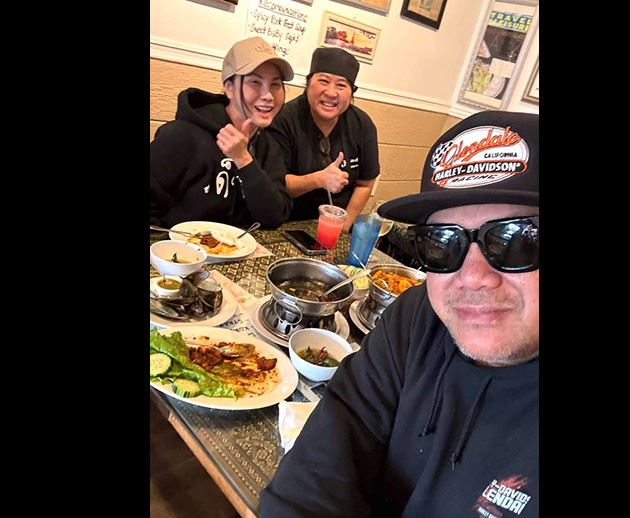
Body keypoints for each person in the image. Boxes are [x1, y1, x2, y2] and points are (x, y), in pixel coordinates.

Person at [260, 110, 539, 517]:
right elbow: (322, 462)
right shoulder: (417, 316)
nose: (473, 278)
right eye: (442, 243)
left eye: (517, 241)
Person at [150, 36, 294, 229]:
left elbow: (274, 217)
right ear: (229, 88)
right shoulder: (182, 135)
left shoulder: (269, 146)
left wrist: (244, 160)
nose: (268, 95)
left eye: (275, 84)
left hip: (239, 246)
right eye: (255, 82)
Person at [267, 47, 380, 231]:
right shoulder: (283, 120)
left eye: (341, 85)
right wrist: (318, 179)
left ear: (352, 92)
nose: (331, 92)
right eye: (323, 81)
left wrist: (342, 227)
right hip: (286, 224)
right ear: (308, 84)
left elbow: (365, 183)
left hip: (336, 226)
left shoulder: (362, 125)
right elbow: (274, 184)